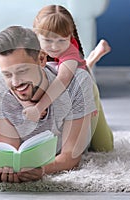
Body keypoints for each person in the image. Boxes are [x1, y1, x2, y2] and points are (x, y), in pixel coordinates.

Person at [0, 25, 98, 183]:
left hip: (83, 104)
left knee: (103, 142)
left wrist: (42, 169)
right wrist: (11, 168)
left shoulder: (77, 83)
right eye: (7, 74)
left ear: (41, 59)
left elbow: (70, 157)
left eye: (22, 71)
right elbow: (11, 150)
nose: (15, 82)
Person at [22, 5, 113, 152]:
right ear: (36, 34)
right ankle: (89, 60)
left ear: (70, 36)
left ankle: (90, 61)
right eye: (48, 40)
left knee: (104, 147)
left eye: (61, 40)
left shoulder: (69, 50)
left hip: (84, 86)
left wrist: (39, 108)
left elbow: (63, 80)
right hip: (65, 75)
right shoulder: (30, 46)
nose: (55, 46)